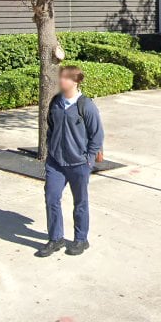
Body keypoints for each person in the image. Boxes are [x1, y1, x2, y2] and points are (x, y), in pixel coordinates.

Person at [36, 65, 104, 258]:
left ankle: (81, 239)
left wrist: (88, 160)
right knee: (51, 198)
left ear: (75, 81)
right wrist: (51, 150)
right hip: (56, 163)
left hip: (79, 165)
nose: (61, 82)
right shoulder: (56, 102)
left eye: (65, 79)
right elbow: (50, 127)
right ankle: (55, 238)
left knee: (80, 202)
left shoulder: (86, 106)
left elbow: (97, 136)